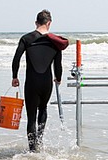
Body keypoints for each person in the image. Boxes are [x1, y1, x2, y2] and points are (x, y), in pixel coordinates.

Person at [11, 9, 68, 151]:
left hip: (31, 82)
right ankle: (40, 143)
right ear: (49, 23)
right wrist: (58, 78)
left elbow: (16, 58)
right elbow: (58, 64)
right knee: (43, 109)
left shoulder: (26, 38)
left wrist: (15, 77)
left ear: (36, 23)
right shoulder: (55, 41)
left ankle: (32, 148)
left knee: (31, 116)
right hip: (46, 82)